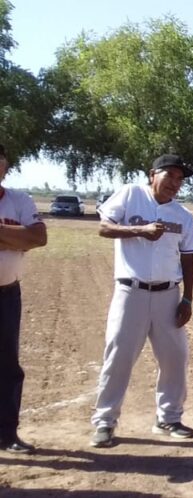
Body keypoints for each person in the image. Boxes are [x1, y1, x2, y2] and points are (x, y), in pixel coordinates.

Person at [90, 154, 193, 448]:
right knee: (119, 357)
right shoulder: (130, 194)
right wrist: (140, 230)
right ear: (153, 174)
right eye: (169, 176)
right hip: (131, 292)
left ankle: (169, 418)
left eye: (180, 179)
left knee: (175, 358)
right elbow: (103, 227)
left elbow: (188, 259)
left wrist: (187, 298)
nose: (174, 183)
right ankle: (105, 422)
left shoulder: (183, 216)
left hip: (168, 295)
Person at [0, 144, 48, 454]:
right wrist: (13, 236)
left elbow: (38, 237)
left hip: (7, 294)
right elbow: (26, 238)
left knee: (7, 368)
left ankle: (7, 435)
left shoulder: (19, 199)